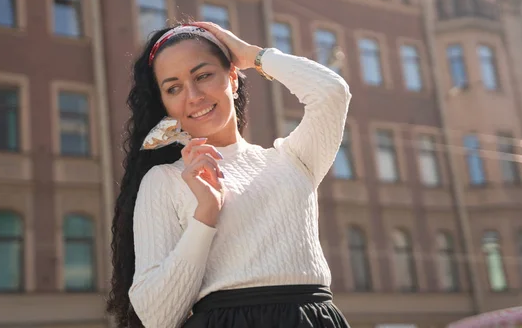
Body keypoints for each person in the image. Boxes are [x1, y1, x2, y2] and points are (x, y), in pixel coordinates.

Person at [106, 21, 352, 328]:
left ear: (233, 77)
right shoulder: (165, 180)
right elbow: (158, 317)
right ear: (166, 105)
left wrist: (252, 55)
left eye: (204, 75)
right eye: (174, 88)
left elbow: (332, 93)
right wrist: (205, 215)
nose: (193, 95)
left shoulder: (293, 159)